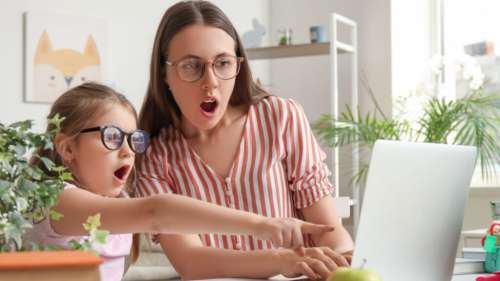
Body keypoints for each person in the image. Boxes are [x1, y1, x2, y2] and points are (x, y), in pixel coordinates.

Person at [25, 82, 335, 281]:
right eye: (112, 137)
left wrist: (282, 260)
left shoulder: (115, 205)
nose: (127, 151)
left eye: (134, 140)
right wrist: (263, 226)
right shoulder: (56, 200)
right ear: (67, 149)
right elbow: (156, 211)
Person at [136, 1, 354, 280]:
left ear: (238, 65)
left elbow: (331, 234)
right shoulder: (154, 154)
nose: (211, 81)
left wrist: (342, 260)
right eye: (192, 66)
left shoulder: (280, 117)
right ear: (164, 73)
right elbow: (191, 261)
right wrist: (280, 259)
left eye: (223, 63)